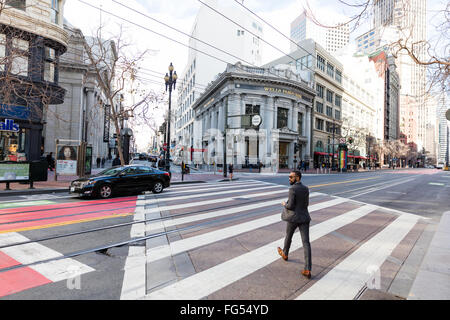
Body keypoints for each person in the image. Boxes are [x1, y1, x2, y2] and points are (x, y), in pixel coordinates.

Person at [277, 170, 312, 279]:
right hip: (304, 217)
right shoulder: (306, 189)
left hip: (294, 218)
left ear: (297, 177)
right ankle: (307, 269)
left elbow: (291, 206)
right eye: (289, 177)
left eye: (291, 177)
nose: (289, 179)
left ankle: (285, 254)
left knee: (289, 236)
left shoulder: (292, 189)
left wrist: (284, 204)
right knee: (306, 243)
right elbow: (306, 204)